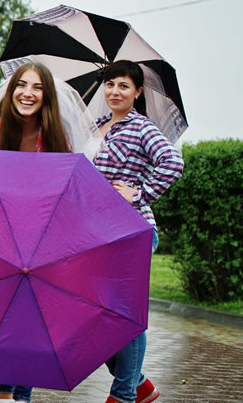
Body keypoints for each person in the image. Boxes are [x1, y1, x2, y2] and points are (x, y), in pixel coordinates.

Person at [0, 61, 72, 403]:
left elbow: (65, 191)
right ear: (11, 89)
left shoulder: (57, 139)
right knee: (2, 320)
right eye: (22, 85)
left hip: (42, 243)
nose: (28, 93)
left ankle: (21, 397)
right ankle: (2, 395)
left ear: (46, 96)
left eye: (37, 87)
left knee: (31, 323)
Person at [92, 60, 183, 403]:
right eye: (110, 84)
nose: (115, 91)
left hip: (131, 231)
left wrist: (139, 192)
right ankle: (140, 384)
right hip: (96, 236)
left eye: (124, 86)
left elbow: (173, 163)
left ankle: (124, 395)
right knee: (94, 316)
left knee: (127, 317)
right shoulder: (96, 126)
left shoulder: (142, 127)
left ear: (137, 92)